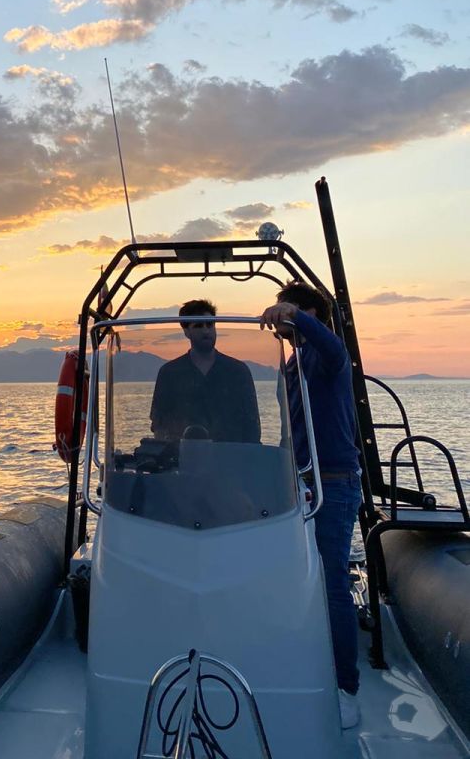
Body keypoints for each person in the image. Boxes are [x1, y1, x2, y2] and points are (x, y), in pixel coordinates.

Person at [259, 284, 362, 729]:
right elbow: (291, 427)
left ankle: (345, 689)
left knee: (333, 583)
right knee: (292, 579)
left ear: (313, 314)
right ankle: (299, 664)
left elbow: (332, 345)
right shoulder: (293, 364)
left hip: (334, 484)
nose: (282, 321)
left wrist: (295, 315)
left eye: (293, 311)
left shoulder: (329, 355)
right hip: (297, 482)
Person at [150, 299, 261, 443]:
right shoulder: (169, 373)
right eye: (198, 326)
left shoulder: (238, 371)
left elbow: (252, 426)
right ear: (186, 331)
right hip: (184, 455)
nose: (206, 331)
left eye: (210, 324)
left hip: (231, 454)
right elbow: (159, 425)